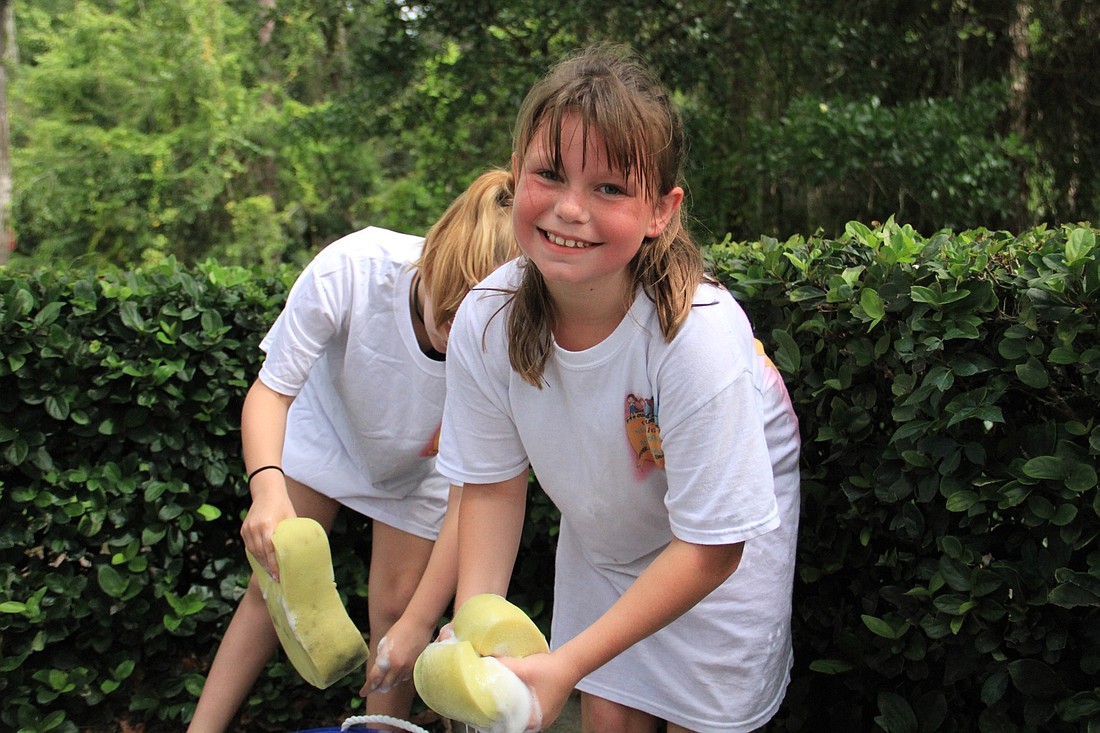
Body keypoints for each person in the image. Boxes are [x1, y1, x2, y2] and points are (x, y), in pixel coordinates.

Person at [435, 45, 801, 733]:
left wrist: (565, 664)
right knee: (608, 717)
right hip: (604, 538)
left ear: (662, 209)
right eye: (550, 173)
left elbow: (714, 545)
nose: (571, 208)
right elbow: (492, 485)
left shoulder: (699, 336)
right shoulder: (484, 319)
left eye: (609, 187)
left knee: (704, 720)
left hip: (717, 547)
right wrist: (472, 637)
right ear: (517, 177)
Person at [185, 168, 519, 733]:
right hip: (329, 432)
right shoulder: (354, 267)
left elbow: (473, 497)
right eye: (450, 300)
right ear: (431, 251)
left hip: (422, 469)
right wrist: (266, 490)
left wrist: (415, 625)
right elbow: (270, 392)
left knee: (395, 610)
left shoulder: (505, 339)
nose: (454, 324)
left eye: (476, 312)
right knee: (273, 588)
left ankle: (384, 730)